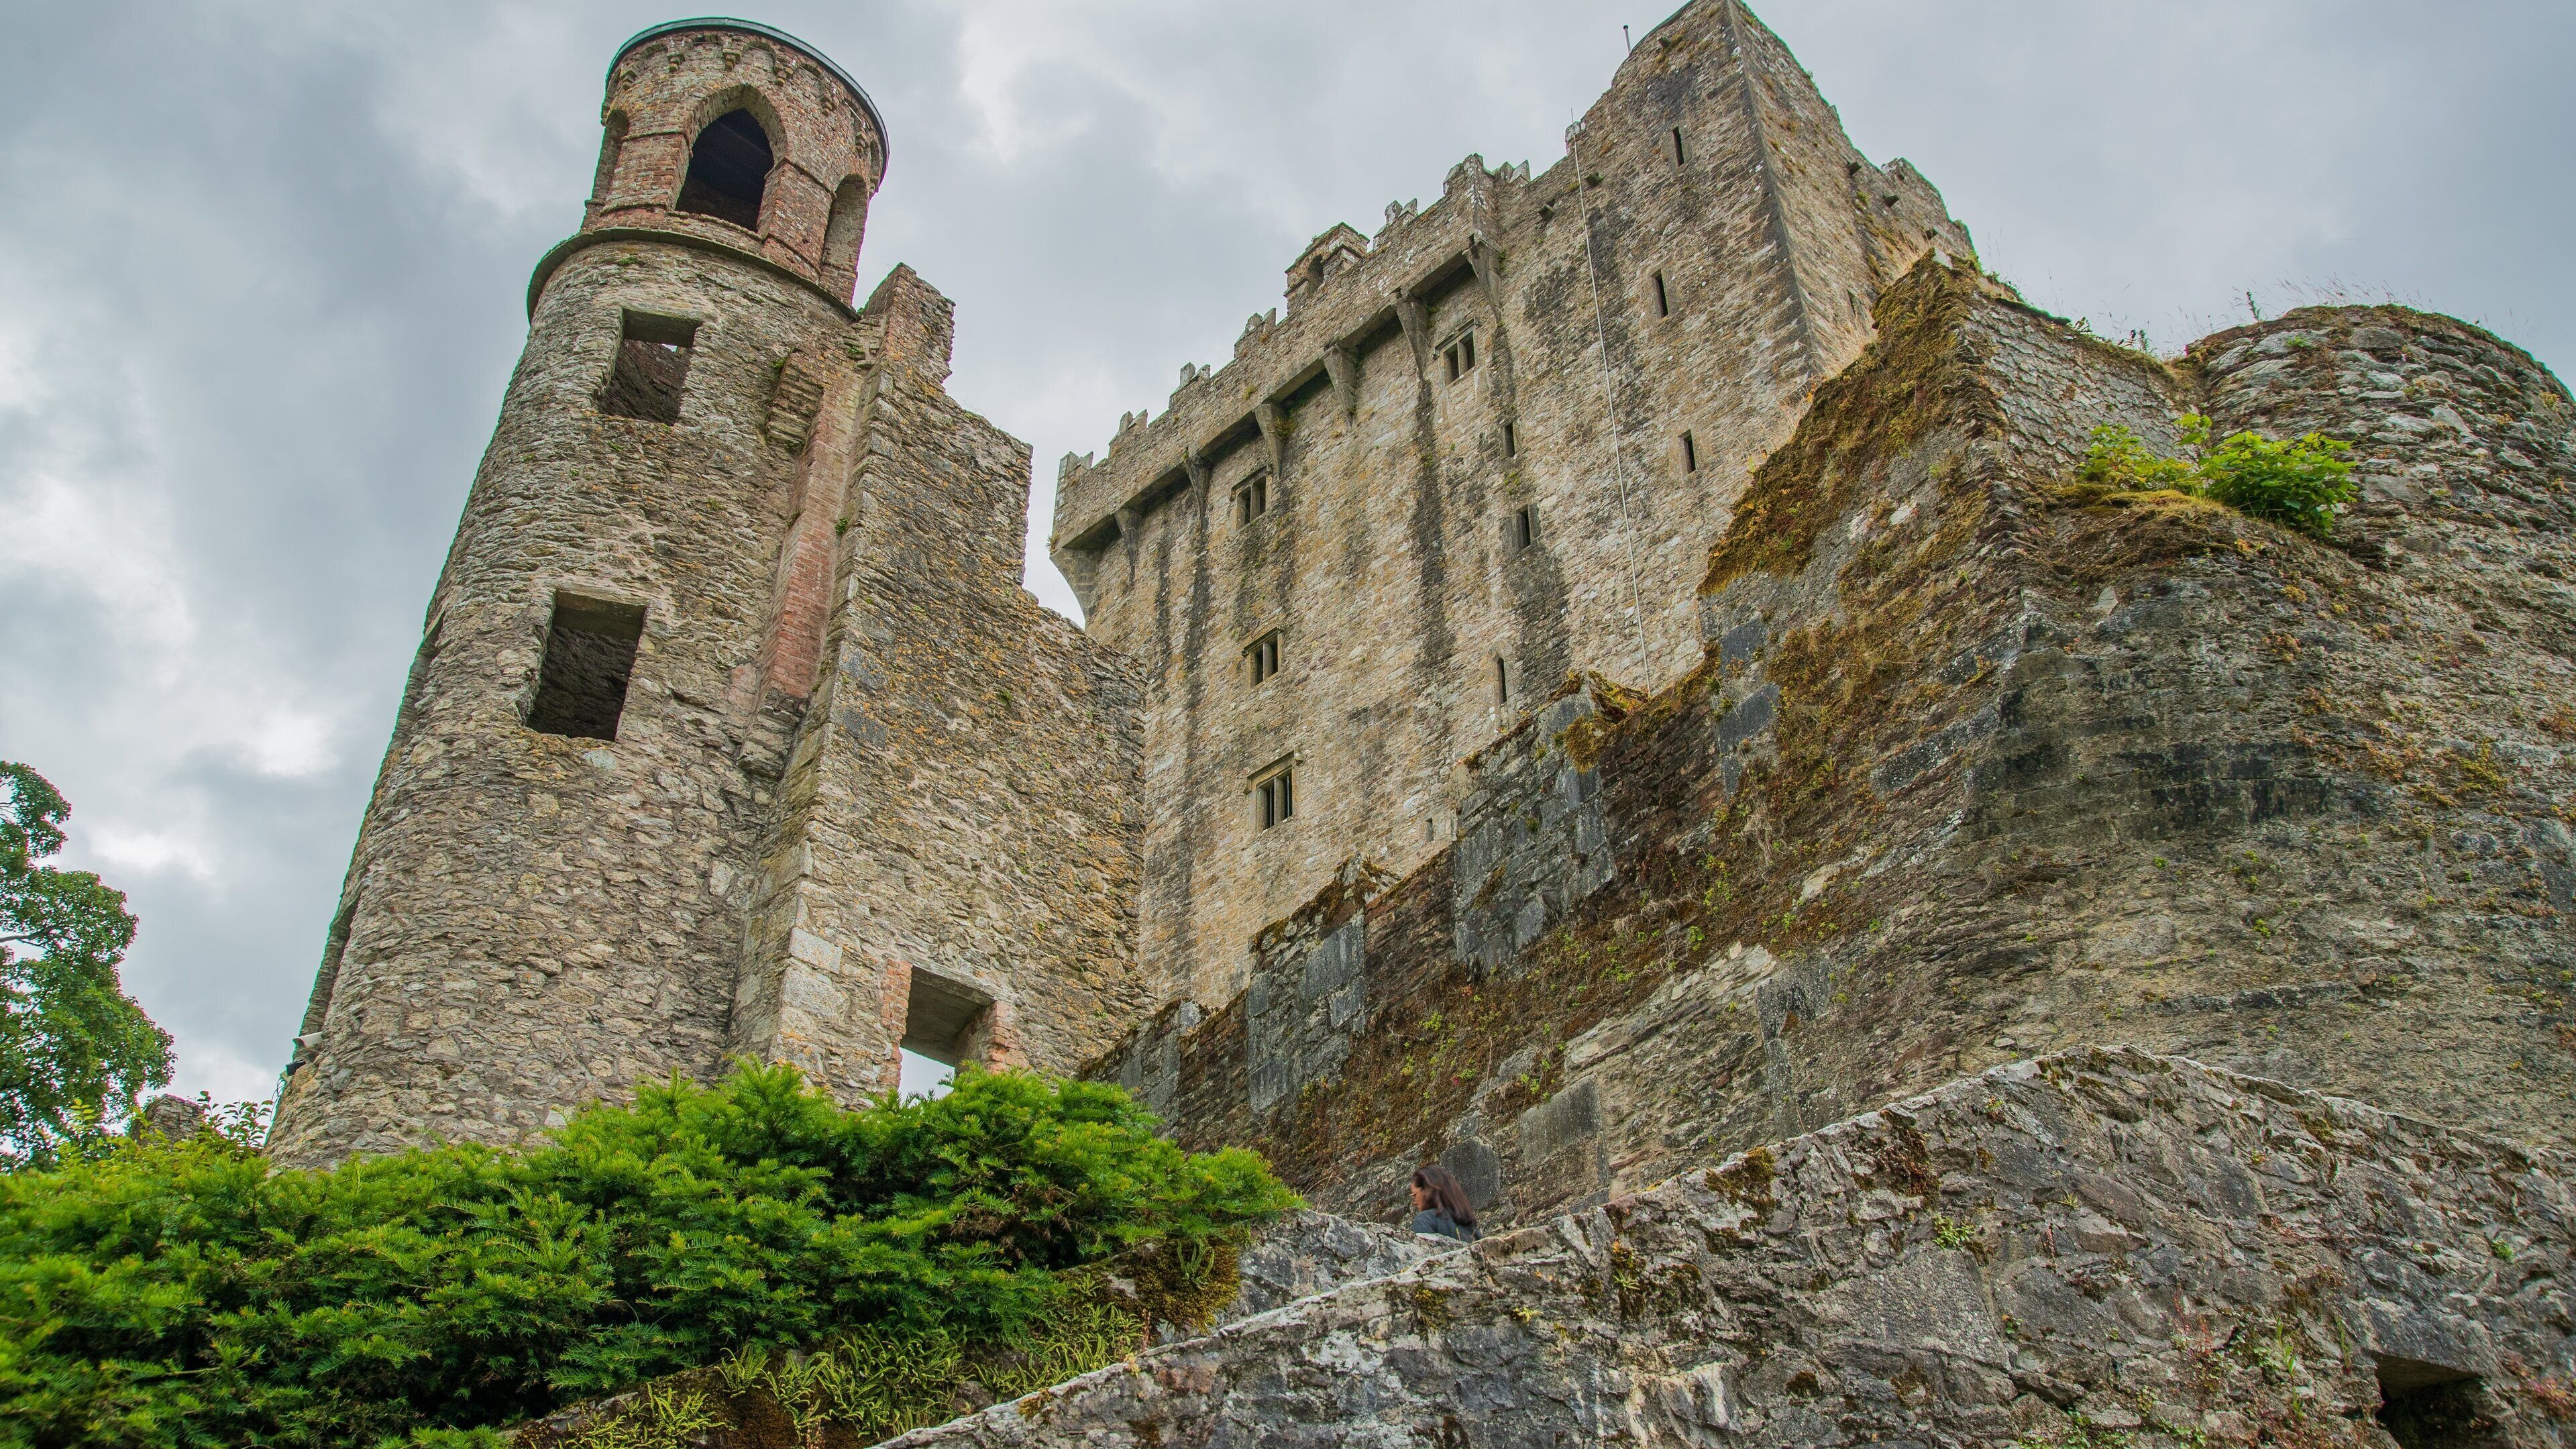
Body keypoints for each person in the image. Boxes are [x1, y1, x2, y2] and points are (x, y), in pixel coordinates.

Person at [1409, 1163, 1479, 1243]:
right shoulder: (1471, 1227)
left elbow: (1423, 1252)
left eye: (1415, 1195)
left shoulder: (1424, 1220)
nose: (1414, 1202)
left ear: (1427, 1190)